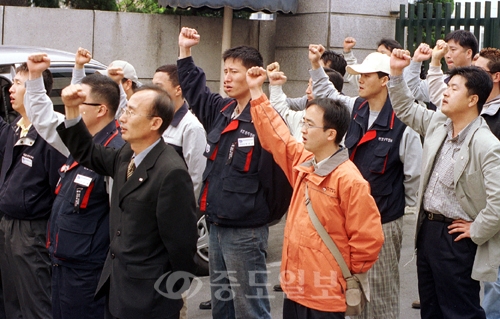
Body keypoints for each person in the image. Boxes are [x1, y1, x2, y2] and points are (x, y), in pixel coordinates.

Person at [246, 65, 384, 318]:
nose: (303, 129)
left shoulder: (349, 179)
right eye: (304, 122)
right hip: (296, 288)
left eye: (310, 124)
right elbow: (277, 138)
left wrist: (340, 276)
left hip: (326, 295)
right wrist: (256, 91)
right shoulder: (305, 162)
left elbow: (368, 240)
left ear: (331, 134)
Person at [56, 84, 198, 319]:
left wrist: (172, 291)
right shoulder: (127, 154)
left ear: (155, 123)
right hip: (117, 288)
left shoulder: (170, 172)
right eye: (125, 110)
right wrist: (71, 109)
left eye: (132, 112)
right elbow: (87, 152)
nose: (122, 118)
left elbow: (182, 245)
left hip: (149, 297)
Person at [177, 27, 291, 319]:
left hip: (246, 230)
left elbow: (280, 180)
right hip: (216, 223)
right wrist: (185, 52)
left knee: (250, 308)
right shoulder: (224, 109)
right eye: (224, 71)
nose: (226, 78)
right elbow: (196, 92)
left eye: (233, 72)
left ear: (253, 74)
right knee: (222, 304)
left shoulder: (265, 118)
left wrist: (261, 215)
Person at [309, 44, 422, 319]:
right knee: (354, 292)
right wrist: (315, 65)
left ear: (385, 80)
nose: (359, 80)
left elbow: (414, 178)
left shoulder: (403, 121)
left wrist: (393, 207)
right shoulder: (356, 107)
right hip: (349, 220)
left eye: (366, 75)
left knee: (381, 296)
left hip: (383, 222)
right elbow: (327, 94)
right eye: (358, 75)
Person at [389, 49, 500, 319]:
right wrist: (396, 74)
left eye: (453, 88)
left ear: (473, 99)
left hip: (456, 237)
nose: (445, 93)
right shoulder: (440, 123)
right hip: (427, 231)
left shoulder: (487, 145)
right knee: (431, 308)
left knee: (460, 311)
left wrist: (477, 230)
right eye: (447, 87)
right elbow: (405, 108)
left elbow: (498, 202)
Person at [24, 52, 125, 319]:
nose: (70, 108)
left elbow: (122, 218)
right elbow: (44, 119)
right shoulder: (80, 140)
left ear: (101, 109)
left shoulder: (115, 151)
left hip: (88, 270)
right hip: (64, 263)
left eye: (79, 103)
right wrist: (34, 77)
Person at [0, 63, 67, 318]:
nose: (11, 88)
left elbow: (57, 187)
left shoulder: (50, 134)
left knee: (36, 302)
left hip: (33, 231)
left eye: (18, 83)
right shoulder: (17, 126)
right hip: (9, 226)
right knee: (12, 300)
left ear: (37, 89)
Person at [472, 47, 500, 319]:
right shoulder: (473, 108)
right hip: (480, 209)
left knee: (495, 285)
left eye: (480, 71)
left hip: (495, 209)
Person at [153, 64, 206, 202]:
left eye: (158, 86)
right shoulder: (155, 121)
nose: (153, 92)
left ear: (178, 90)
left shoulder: (191, 127)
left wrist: (184, 210)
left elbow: (197, 177)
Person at [268, 62, 344, 142]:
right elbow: (280, 111)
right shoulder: (302, 116)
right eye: (308, 85)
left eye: (314, 87)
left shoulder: (341, 125)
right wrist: (275, 85)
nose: (303, 130)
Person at [406, 30, 478, 105]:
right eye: (446, 51)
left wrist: (435, 61)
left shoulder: (478, 83)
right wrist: (416, 60)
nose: (447, 55)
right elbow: (413, 90)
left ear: (469, 53)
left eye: (453, 50)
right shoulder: (442, 79)